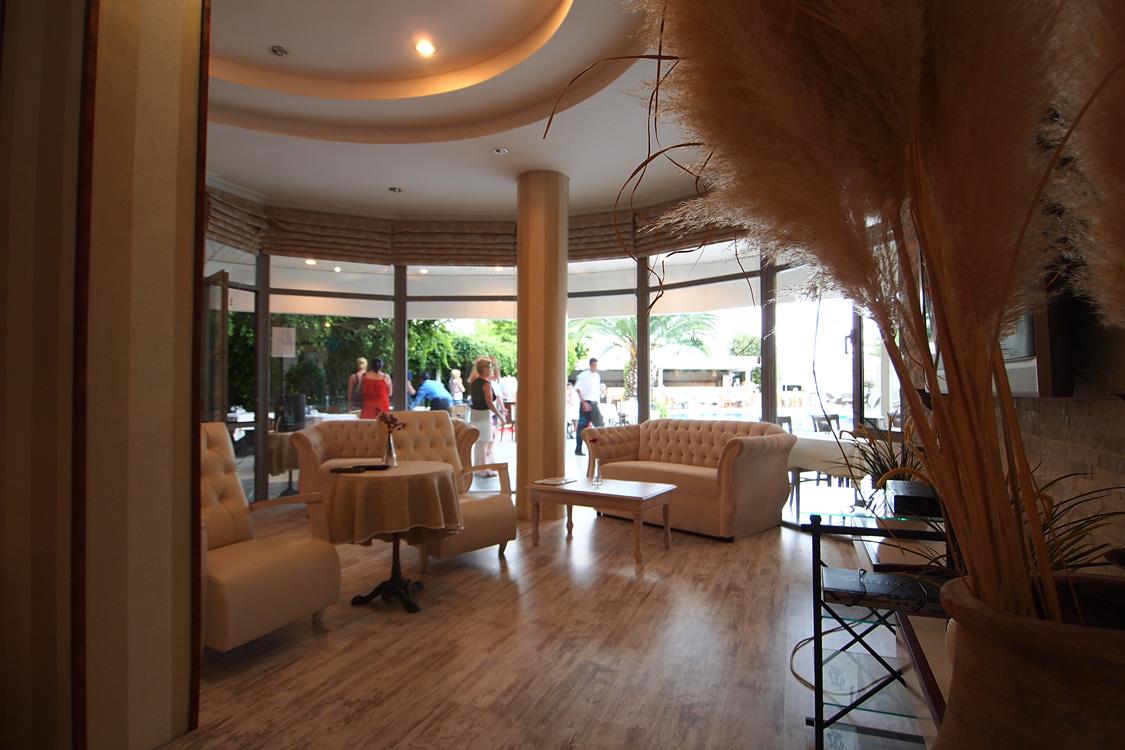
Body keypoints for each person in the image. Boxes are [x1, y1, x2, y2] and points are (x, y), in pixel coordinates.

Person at [469, 357, 506, 476]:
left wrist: (494, 364)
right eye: (489, 368)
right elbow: (489, 403)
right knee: (483, 442)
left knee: (479, 443)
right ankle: (483, 470)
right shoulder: (486, 384)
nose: (491, 370)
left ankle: (478, 468)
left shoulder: (474, 381)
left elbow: (496, 376)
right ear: (484, 369)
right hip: (483, 416)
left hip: (475, 415)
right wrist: (500, 416)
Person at [574, 357, 602, 455]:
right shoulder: (583, 375)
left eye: (596, 365)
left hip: (594, 403)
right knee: (582, 426)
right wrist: (584, 402)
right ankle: (578, 449)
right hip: (586, 402)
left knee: (599, 426)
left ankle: (597, 447)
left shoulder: (597, 376)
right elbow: (578, 389)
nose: (595, 367)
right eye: (594, 365)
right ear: (590, 365)